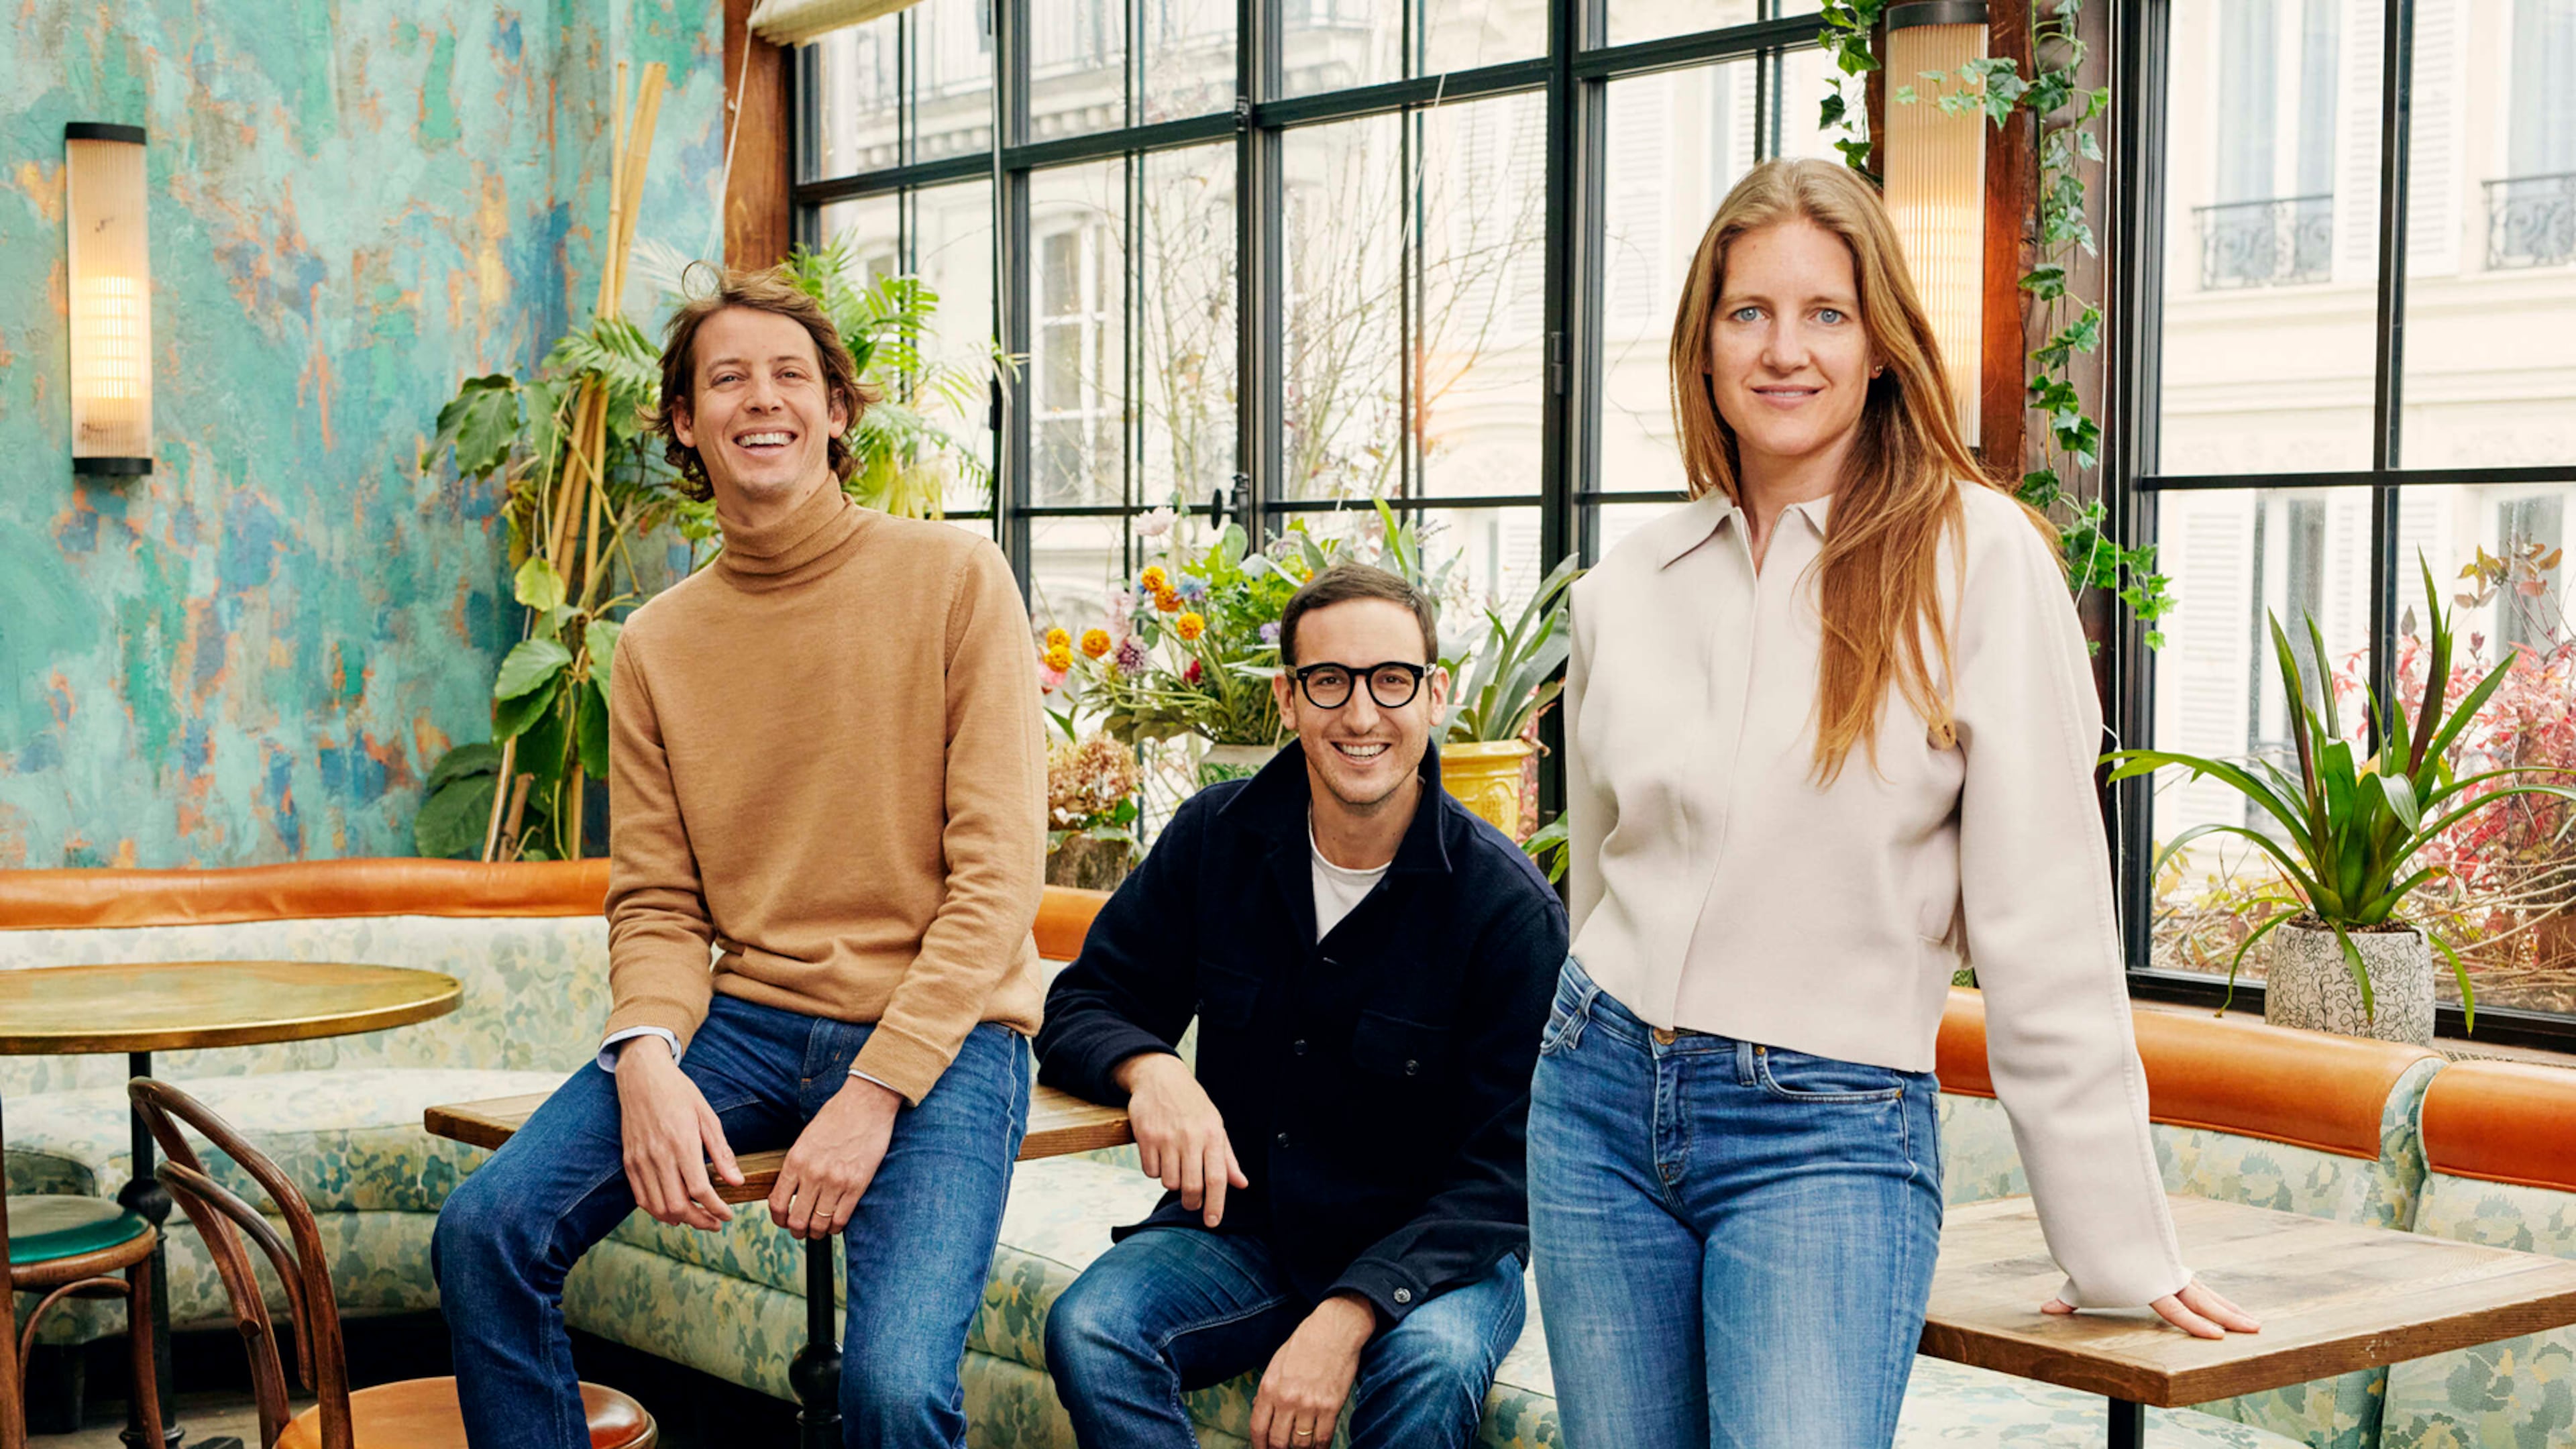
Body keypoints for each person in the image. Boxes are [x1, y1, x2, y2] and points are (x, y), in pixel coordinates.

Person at [1532, 158, 2261, 1448]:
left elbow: (2046, 929)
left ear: (1882, 345)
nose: (1785, 350)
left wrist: (2115, 1246)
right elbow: (1601, 875)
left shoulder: (1980, 561)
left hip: (1826, 1132)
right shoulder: (1625, 587)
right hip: (1591, 1101)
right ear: (1704, 343)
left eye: (1827, 313)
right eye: (1748, 312)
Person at [431, 266, 1048, 1449]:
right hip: (748, 1023)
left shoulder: (955, 580)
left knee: (895, 1394)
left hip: (947, 1032)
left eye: (789, 377)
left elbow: (999, 881)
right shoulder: (657, 643)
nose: (760, 401)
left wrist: (877, 1091)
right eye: (727, 379)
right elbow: (657, 900)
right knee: (486, 1232)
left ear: (837, 411)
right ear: (683, 420)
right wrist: (647, 1055)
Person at [1035, 563, 1567, 1449]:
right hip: (1251, 1229)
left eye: (1391, 681)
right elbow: (1084, 1001)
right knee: (1092, 1329)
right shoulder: (1217, 838)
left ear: (1435, 697)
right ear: (1288, 699)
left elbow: (1512, 1178)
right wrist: (1152, 1069)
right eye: (1329, 682)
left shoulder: (1506, 911)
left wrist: (1350, 1312)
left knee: (1428, 1370)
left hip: (1433, 1257)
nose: (1361, 716)